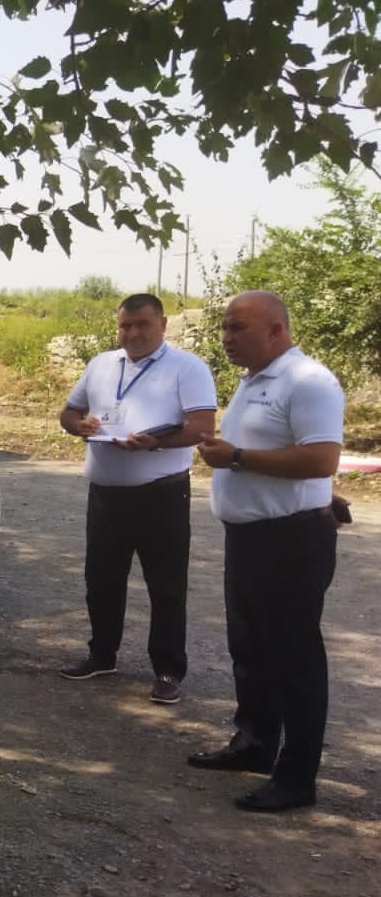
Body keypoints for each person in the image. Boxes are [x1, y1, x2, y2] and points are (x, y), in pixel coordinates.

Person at [191, 291, 344, 813]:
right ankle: (255, 744)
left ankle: (297, 778)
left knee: (294, 658)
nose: (226, 338)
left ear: (276, 330)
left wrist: (235, 456)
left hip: (291, 542)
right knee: (250, 648)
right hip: (251, 537)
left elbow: (322, 459)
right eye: (225, 328)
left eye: (238, 328)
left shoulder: (308, 381)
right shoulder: (254, 380)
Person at [57, 293, 217, 704]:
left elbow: (201, 427)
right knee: (101, 580)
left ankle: (168, 670)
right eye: (125, 326)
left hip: (161, 494)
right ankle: (101, 655)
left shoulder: (187, 367)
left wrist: (155, 442)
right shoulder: (101, 364)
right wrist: (80, 425)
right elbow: (68, 414)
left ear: (162, 324)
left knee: (165, 586)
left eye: (142, 324)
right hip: (105, 494)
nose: (132, 333)